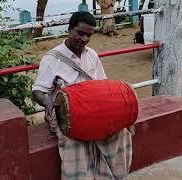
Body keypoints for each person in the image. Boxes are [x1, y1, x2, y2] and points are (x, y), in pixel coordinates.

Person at [32, 11, 133, 180]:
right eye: (80, 33)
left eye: (89, 35)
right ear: (69, 29)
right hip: (66, 115)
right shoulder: (51, 59)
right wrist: (47, 101)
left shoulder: (92, 55)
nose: (85, 39)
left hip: (93, 109)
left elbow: (103, 84)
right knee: (75, 143)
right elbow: (37, 91)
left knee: (120, 132)